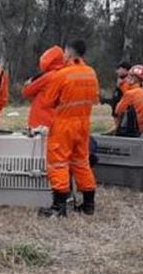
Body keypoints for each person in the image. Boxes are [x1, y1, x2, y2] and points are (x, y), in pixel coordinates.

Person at [39, 40, 99, 217]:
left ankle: (59, 207)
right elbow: (95, 98)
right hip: (84, 124)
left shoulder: (62, 75)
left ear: (70, 53)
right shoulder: (91, 73)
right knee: (81, 162)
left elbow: (48, 101)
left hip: (64, 124)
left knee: (58, 162)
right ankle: (88, 204)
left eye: (65, 52)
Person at [23, 45, 65, 130]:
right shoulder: (65, 75)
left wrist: (29, 82)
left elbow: (27, 92)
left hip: (41, 121)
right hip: (58, 119)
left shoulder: (48, 77)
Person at [114, 64, 143, 136]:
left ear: (133, 78)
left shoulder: (130, 93)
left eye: (129, 76)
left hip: (129, 129)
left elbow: (118, 111)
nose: (127, 79)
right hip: (141, 129)